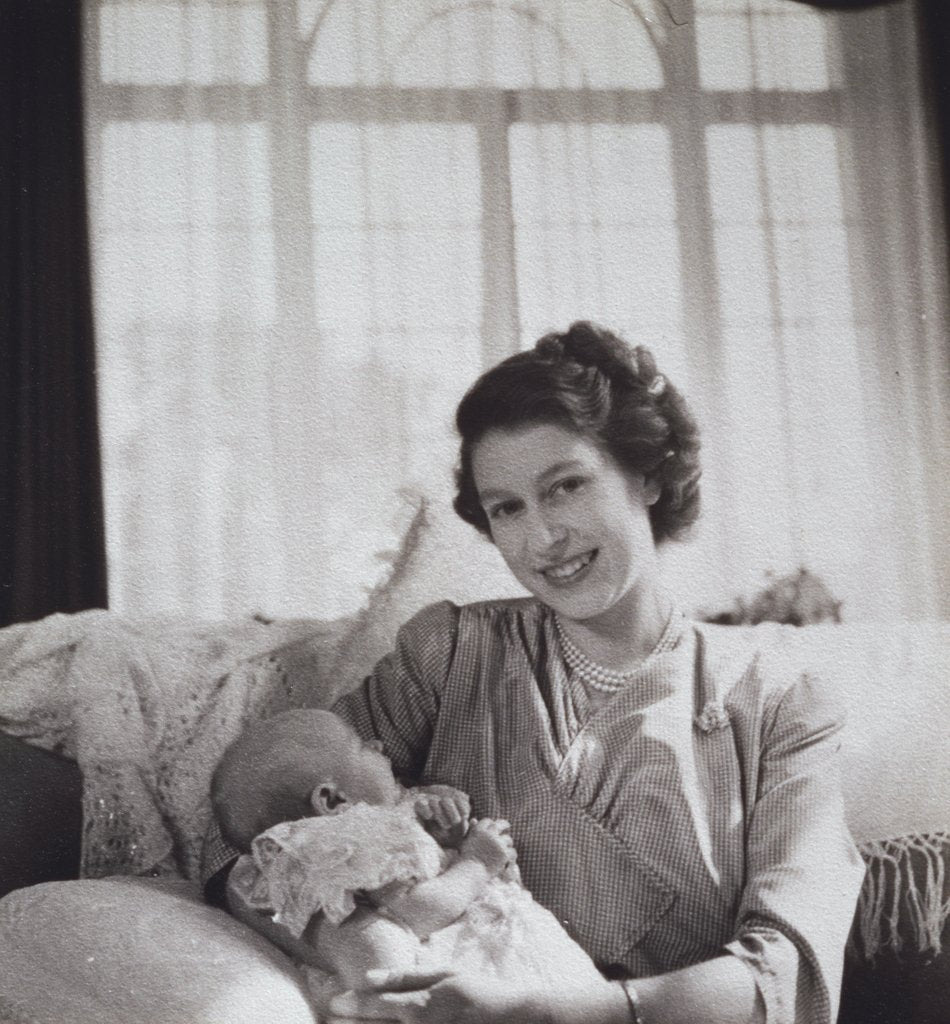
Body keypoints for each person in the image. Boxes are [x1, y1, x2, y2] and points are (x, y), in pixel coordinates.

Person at [205, 321, 865, 1024]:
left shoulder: (781, 700)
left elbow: (787, 971)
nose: (542, 538)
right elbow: (266, 853)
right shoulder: (451, 654)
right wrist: (371, 959)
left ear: (645, 474)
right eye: (507, 508)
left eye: (567, 486)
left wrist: (558, 1014)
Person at [210, 708, 606, 1018]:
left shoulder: (354, 841)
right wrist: (477, 864)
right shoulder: (353, 837)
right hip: (470, 969)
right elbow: (419, 911)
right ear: (332, 801)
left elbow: (407, 878)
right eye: (362, 746)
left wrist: (444, 841)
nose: (380, 745)